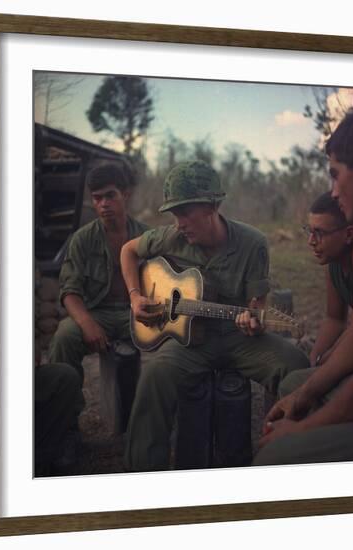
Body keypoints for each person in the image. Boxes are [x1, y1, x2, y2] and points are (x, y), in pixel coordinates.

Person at [121, 159, 309, 472]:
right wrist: (135, 297)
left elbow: (257, 306)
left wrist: (253, 321)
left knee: (295, 366)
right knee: (154, 378)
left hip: (237, 339)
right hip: (188, 343)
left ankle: (289, 460)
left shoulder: (253, 243)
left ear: (212, 206)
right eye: (174, 214)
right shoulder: (170, 237)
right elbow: (128, 251)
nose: (179, 222)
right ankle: (141, 476)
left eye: (185, 212)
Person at [253, 103, 353, 465]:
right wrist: (313, 381)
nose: (333, 190)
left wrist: (303, 428)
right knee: (297, 386)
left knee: (273, 458)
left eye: (334, 174)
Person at [48, 163, 148, 399]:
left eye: (110, 196)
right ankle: (65, 419)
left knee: (172, 343)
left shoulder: (146, 237)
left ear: (125, 194)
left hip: (134, 314)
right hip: (96, 313)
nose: (103, 204)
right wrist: (86, 323)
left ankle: (156, 419)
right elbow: (69, 291)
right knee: (64, 338)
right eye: (97, 198)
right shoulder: (82, 239)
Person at [304, 191, 353, 369]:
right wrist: (315, 359)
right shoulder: (334, 261)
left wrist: (327, 361)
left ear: (348, 234)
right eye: (309, 231)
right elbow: (334, 319)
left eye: (319, 232)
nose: (311, 241)